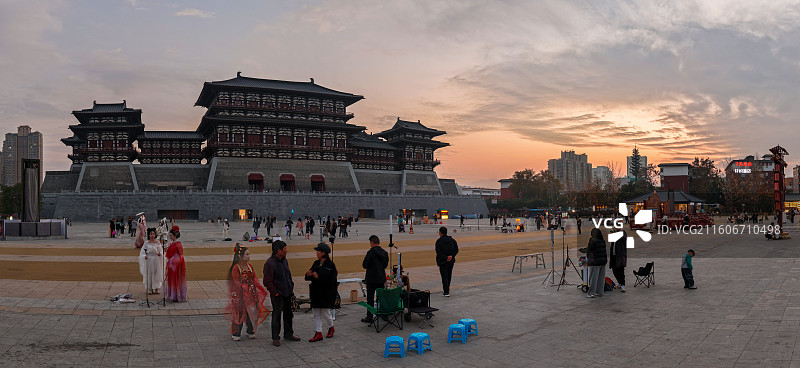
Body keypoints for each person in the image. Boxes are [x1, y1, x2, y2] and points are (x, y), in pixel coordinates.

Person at [226, 243, 270, 341]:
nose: (249, 256)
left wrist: (258, 288)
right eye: (247, 254)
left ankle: (250, 330)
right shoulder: (236, 268)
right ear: (240, 256)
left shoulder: (249, 267)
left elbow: (254, 279)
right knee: (239, 313)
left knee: (252, 313)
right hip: (240, 295)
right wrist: (245, 287)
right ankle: (236, 332)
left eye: (249, 254)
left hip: (250, 294)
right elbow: (236, 282)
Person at [262, 240, 300, 346]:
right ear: (279, 251)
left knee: (288, 315)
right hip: (278, 295)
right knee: (277, 315)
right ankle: (275, 337)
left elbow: (288, 275)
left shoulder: (284, 260)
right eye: (285, 249)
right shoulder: (269, 263)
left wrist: (291, 286)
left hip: (288, 292)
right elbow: (267, 281)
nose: (286, 251)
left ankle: (288, 334)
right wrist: (275, 292)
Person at [305, 243, 338, 342]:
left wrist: (318, 277)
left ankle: (331, 327)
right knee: (316, 313)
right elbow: (309, 276)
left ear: (323, 253)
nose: (316, 253)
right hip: (316, 293)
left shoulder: (330, 265)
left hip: (326, 293)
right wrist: (308, 274)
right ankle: (318, 332)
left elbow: (332, 280)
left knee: (326, 313)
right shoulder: (316, 263)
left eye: (318, 251)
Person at [361, 235, 388, 323]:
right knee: (382, 298)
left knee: (370, 298)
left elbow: (365, 265)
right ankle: (384, 315)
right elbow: (385, 266)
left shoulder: (370, 252)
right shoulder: (384, 253)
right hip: (381, 278)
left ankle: (370, 316)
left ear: (372, 242)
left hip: (371, 279)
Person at [580, 228, 607, 298]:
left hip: (595, 261)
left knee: (593, 278)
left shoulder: (593, 240)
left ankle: (591, 292)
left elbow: (589, 249)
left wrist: (582, 250)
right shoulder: (602, 240)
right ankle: (599, 292)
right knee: (601, 278)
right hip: (603, 261)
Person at [138, 228, 164, 294]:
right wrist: (144, 256)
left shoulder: (157, 242)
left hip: (156, 260)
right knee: (149, 273)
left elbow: (161, 250)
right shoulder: (146, 243)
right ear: (149, 235)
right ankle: (150, 288)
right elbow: (142, 252)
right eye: (151, 234)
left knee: (156, 273)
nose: (152, 235)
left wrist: (160, 253)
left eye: (153, 234)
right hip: (149, 260)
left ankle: (156, 288)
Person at [165, 226, 187, 302]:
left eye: (171, 235)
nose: (170, 237)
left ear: (175, 236)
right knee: (172, 280)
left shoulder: (178, 244)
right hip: (172, 265)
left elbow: (181, 255)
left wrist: (175, 261)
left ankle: (177, 295)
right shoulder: (172, 244)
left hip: (177, 266)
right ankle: (172, 294)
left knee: (176, 280)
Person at [435, 227, 459, 297]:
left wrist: (445, 258)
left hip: (442, 261)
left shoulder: (439, 241)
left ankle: (446, 291)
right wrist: (451, 256)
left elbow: (438, 252)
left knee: (444, 276)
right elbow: (456, 250)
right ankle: (447, 288)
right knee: (449, 275)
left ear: (440, 233)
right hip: (451, 261)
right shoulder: (452, 240)